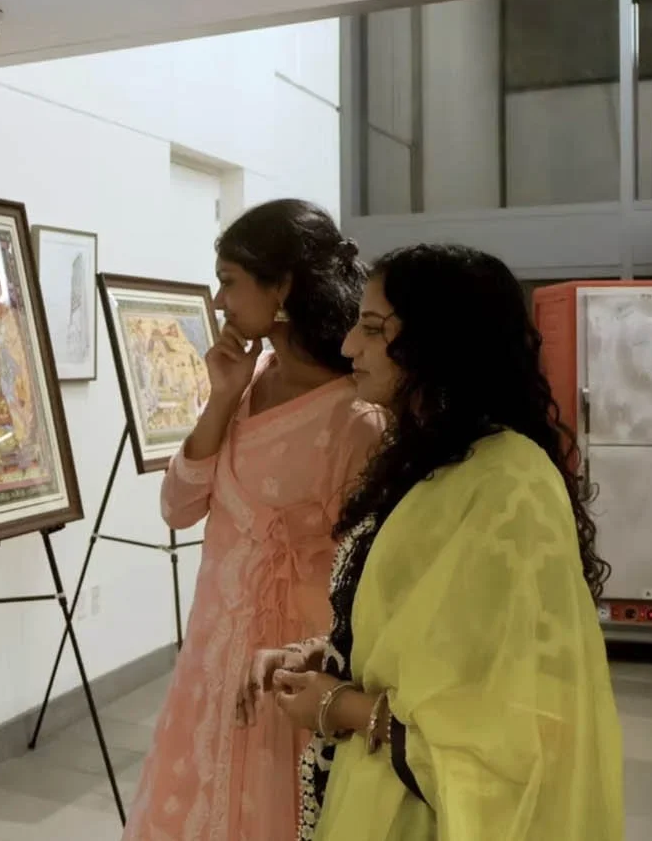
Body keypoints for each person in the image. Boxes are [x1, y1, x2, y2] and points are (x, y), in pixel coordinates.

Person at [242, 244, 622, 841]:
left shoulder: (509, 484)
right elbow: (431, 629)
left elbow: (513, 720)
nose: (349, 346)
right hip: (377, 790)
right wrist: (327, 654)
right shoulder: (423, 455)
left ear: (441, 342)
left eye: (373, 329)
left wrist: (340, 705)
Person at [124, 200, 385, 841]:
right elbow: (178, 508)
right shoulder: (249, 378)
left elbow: (367, 577)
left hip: (286, 671)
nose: (218, 301)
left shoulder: (353, 419)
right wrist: (221, 397)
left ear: (284, 287)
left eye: (230, 281)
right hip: (211, 658)